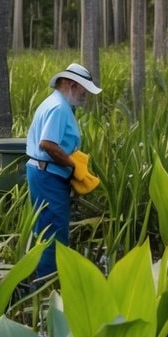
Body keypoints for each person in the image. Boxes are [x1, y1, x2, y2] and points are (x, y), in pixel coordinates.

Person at [25, 62, 102, 281]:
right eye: (83, 90)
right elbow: (47, 144)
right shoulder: (59, 108)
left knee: (45, 229)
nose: (85, 95)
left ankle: (41, 281)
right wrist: (73, 165)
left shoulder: (56, 104)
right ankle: (47, 287)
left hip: (45, 174)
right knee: (53, 234)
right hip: (48, 176)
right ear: (70, 84)